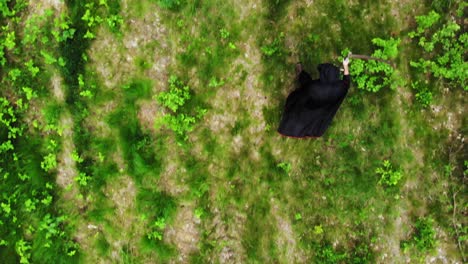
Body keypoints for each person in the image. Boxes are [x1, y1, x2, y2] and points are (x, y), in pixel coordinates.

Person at [277, 58, 351, 138]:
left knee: (298, 99)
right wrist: (345, 66)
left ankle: (301, 73)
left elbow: (304, 91)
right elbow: (346, 82)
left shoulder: (314, 87)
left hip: (309, 107)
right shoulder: (340, 88)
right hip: (322, 109)